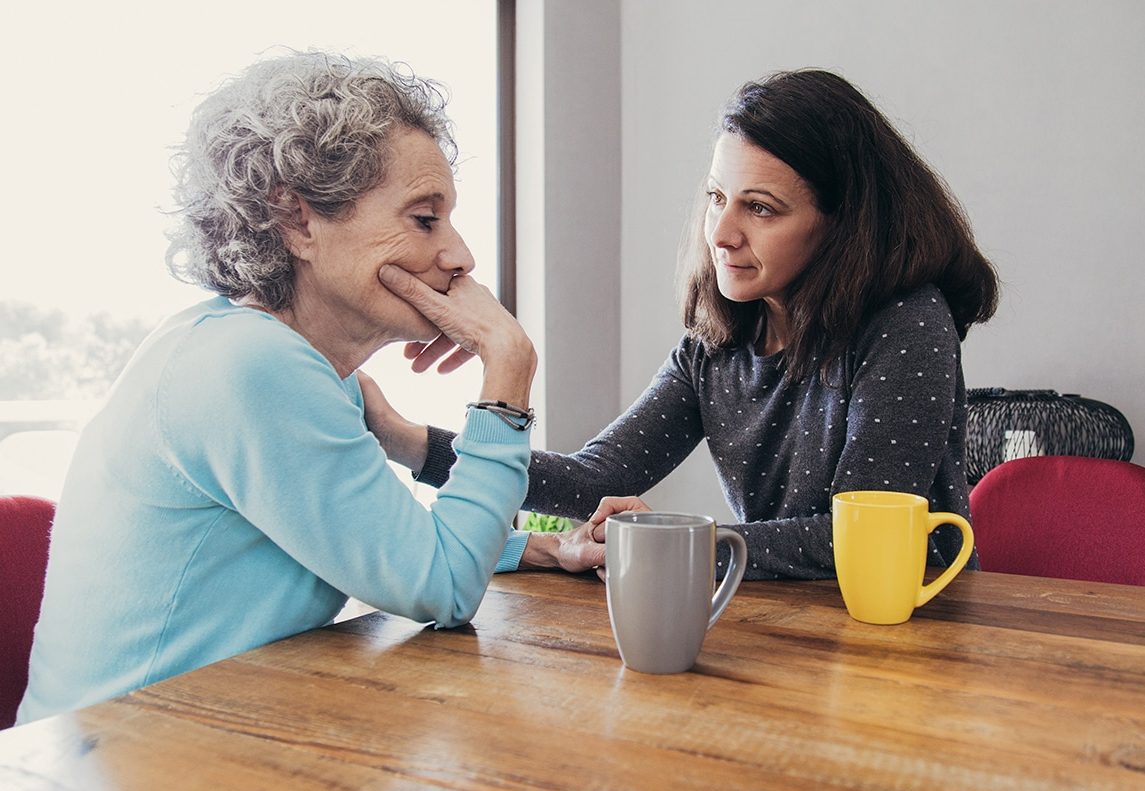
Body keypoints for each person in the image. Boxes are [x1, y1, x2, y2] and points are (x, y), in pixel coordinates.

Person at [17, 51, 553, 724]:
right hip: (113, 761)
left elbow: (373, 537)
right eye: (424, 218)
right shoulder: (249, 367)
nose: (460, 255)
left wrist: (530, 546)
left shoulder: (259, 353)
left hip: (198, 740)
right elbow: (443, 586)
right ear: (298, 221)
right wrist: (507, 364)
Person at [376, 68, 1000, 580]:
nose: (723, 235)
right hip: (781, 626)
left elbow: (859, 536)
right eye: (715, 198)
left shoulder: (906, 321)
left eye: (760, 209)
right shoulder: (715, 348)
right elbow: (596, 480)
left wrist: (674, 542)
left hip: (918, 633)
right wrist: (402, 438)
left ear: (842, 224)